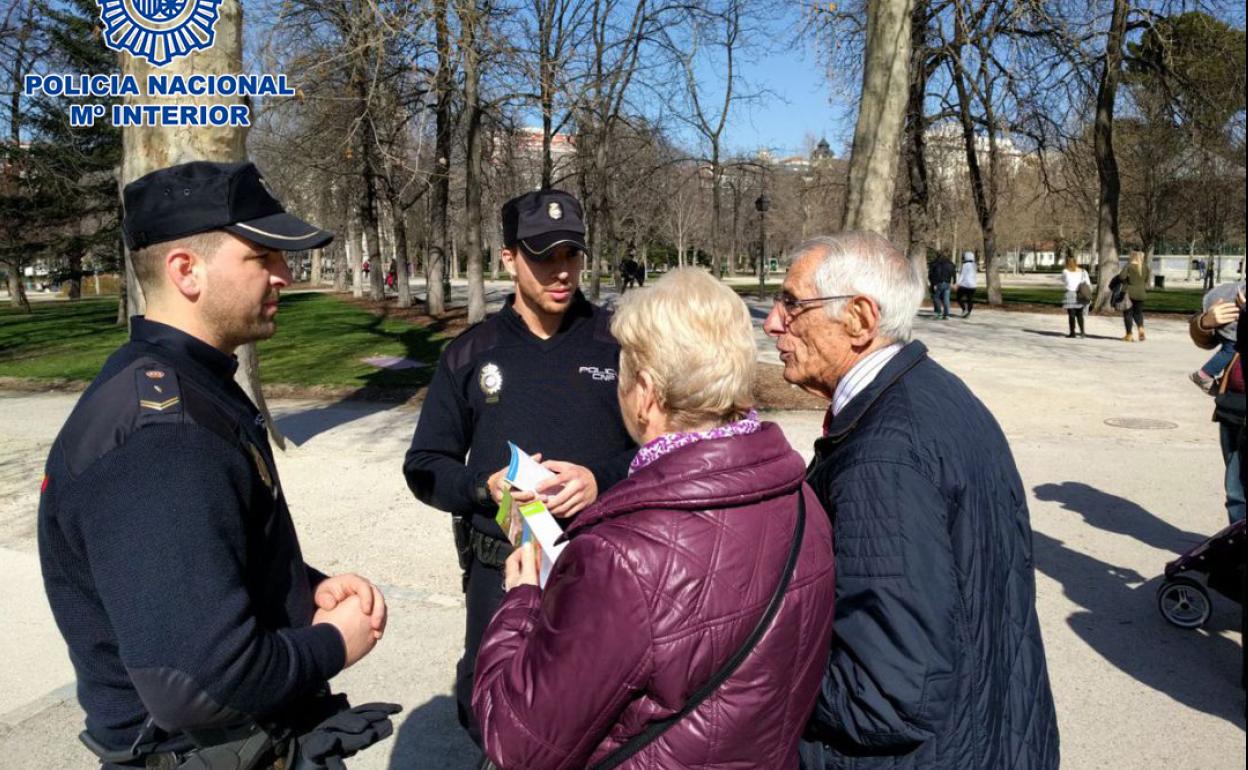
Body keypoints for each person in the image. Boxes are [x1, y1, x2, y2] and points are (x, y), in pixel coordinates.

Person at [38, 161, 397, 770]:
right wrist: (335, 643)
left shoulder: (186, 385)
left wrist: (301, 588)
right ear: (187, 270)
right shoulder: (162, 436)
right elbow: (197, 683)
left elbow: (205, 549)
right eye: (263, 256)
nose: (285, 274)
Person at [472, 268, 836, 769]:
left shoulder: (620, 556)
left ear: (645, 393)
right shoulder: (802, 499)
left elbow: (515, 743)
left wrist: (521, 603)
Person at [762, 233, 1059, 769]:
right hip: (986, 736)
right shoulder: (931, 390)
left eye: (792, 303)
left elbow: (887, 695)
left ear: (858, 318)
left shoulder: (886, 456)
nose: (772, 322)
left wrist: (759, 675)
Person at [402, 188, 636, 761]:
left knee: (606, 715)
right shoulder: (469, 353)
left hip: (604, 568)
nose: (561, 271)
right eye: (543, 256)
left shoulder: (622, 344)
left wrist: (599, 479)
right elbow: (426, 465)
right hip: (503, 572)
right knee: (497, 712)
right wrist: (482, 487)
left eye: (571, 255)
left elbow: (664, 450)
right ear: (508, 258)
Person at [1190, 283, 1246, 524]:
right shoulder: (1234, 292)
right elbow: (1207, 341)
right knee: (1236, 493)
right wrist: (1205, 323)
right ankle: (1238, 554)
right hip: (1232, 404)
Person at [1190, 279, 1244, 393]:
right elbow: (1204, 340)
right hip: (1231, 400)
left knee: (1230, 348)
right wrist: (1204, 322)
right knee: (1231, 348)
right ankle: (1204, 374)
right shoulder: (1236, 289)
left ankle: (1204, 374)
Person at [1118, 250, 1151, 342]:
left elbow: (1121, 277)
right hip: (1141, 292)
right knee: (1138, 313)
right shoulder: (1145, 267)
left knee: (1128, 314)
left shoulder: (1129, 266)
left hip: (1129, 292)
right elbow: (1147, 280)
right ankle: (1141, 328)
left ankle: (1129, 335)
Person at [1060, 254, 1092, 338]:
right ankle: (1082, 332)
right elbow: (1088, 283)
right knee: (1080, 314)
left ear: (1067, 262)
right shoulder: (1083, 272)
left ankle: (1072, 332)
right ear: (1076, 262)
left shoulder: (1065, 271)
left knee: (1071, 314)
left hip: (1070, 293)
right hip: (1080, 294)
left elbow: (1063, 281)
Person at [927, 251, 955, 320]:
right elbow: (953, 273)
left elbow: (935, 274)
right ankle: (946, 314)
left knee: (936, 298)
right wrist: (954, 282)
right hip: (947, 283)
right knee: (946, 299)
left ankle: (938, 313)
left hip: (939, 283)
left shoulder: (937, 264)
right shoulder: (950, 264)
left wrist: (934, 283)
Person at [954, 250, 977, 317]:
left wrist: (957, 284)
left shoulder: (965, 265)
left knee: (959, 298)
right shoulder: (974, 265)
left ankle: (964, 309)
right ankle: (968, 312)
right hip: (973, 285)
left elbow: (962, 275)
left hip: (965, 285)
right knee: (970, 299)